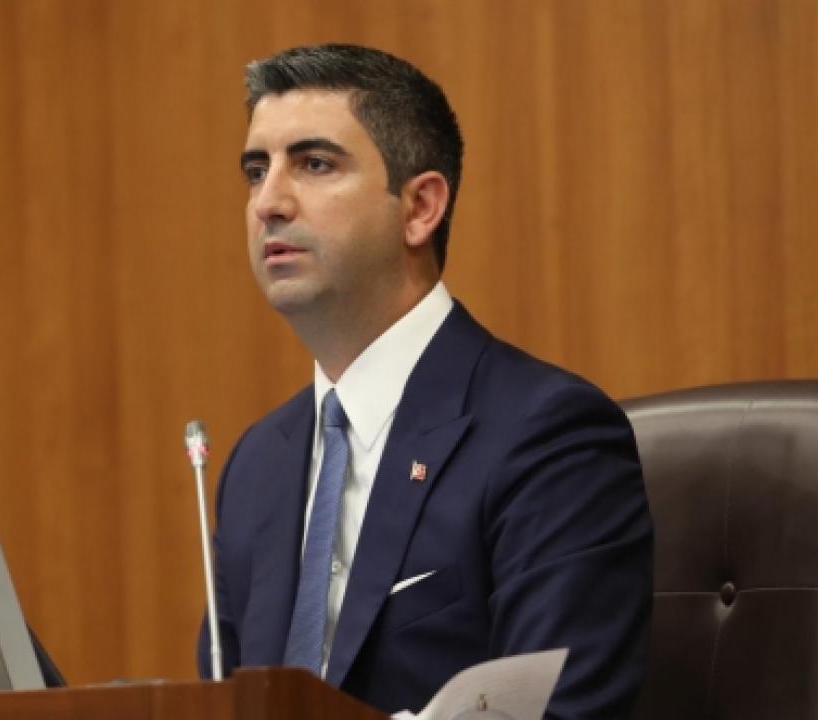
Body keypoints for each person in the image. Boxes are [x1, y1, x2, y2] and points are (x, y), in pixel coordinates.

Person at [197, 43, 653, 718]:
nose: (269, 202)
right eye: (256, 171)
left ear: (419, 207)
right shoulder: (255, 466)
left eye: (314, 164)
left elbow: (560, 709)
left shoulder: (549, 436)